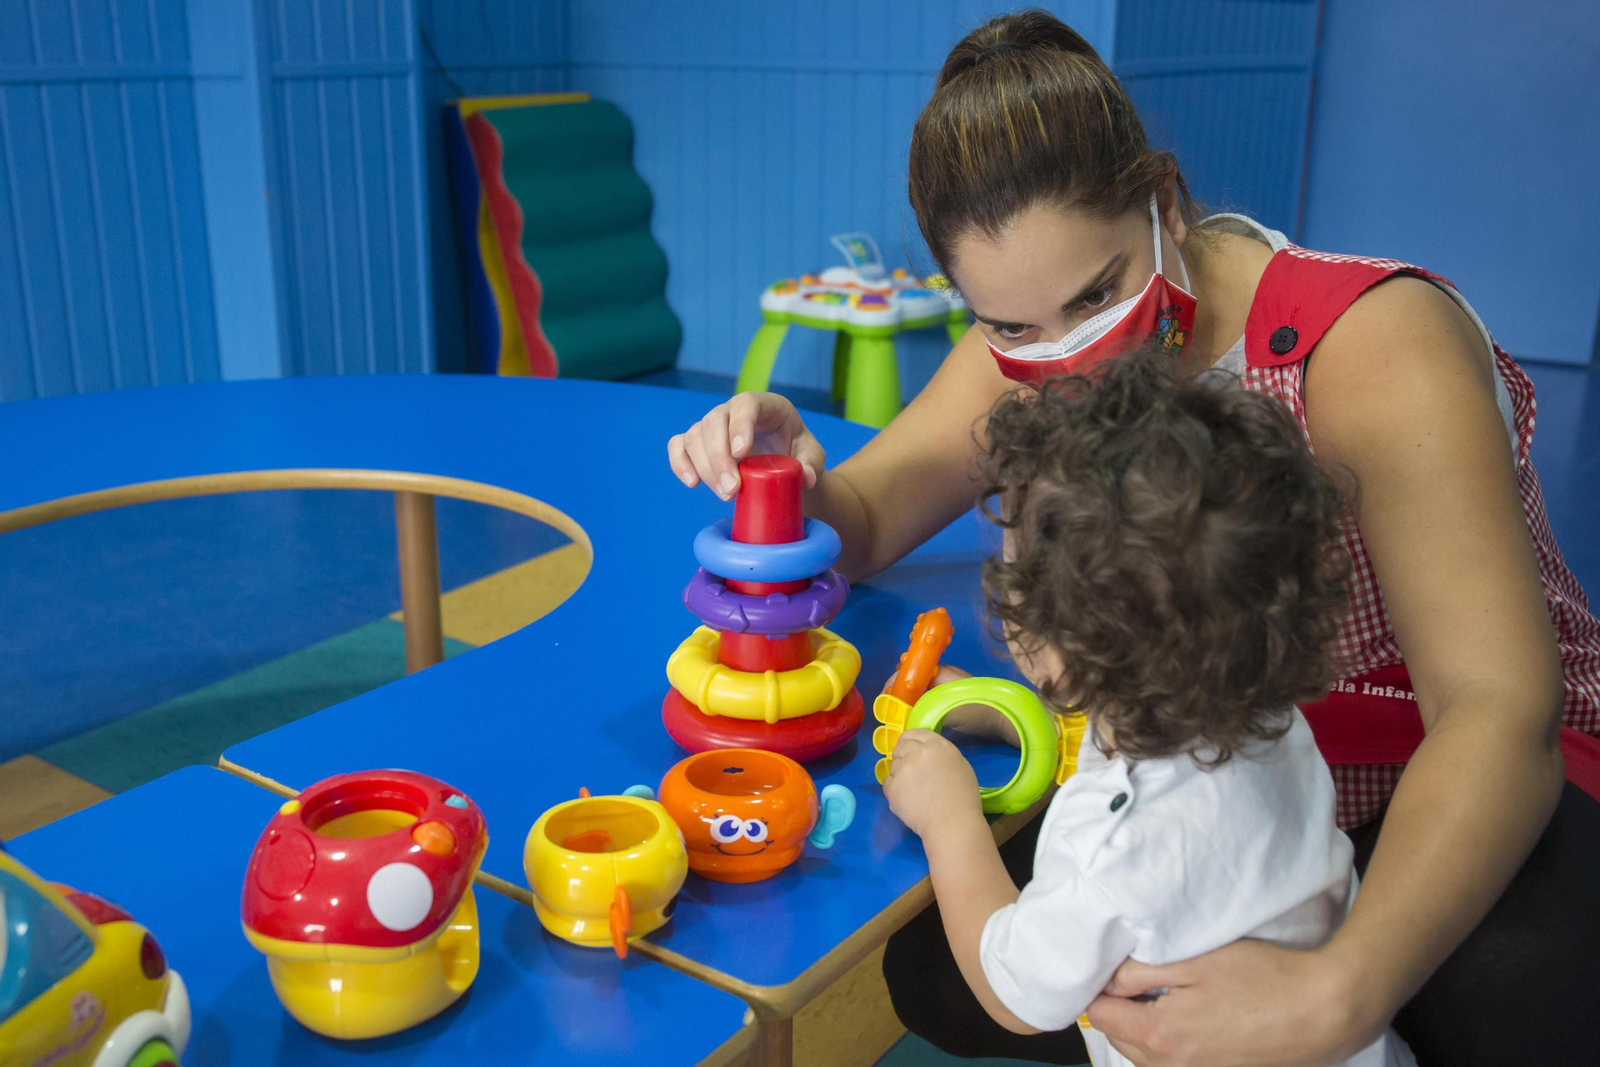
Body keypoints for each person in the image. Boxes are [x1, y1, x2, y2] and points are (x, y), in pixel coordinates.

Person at [667, 10, 1600, 1065]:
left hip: (1434, 749)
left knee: (1514, 992)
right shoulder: (1031, 334)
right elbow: (871, 515)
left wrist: (1332, 993)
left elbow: (1493, 709)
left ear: (1164, 202)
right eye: (1010, 328)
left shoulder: (1371, 344)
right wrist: (786, 476)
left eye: (1097, 294)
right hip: (1209, 759)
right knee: (937, 964)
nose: (1068, 359)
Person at [881, 350, 1412, 1067]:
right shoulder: (1267, 715)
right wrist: (1003, 715)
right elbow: (1113, 732)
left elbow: (1013, 992)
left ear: (1059, 656)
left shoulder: (1115, 844)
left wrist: (949, 819)